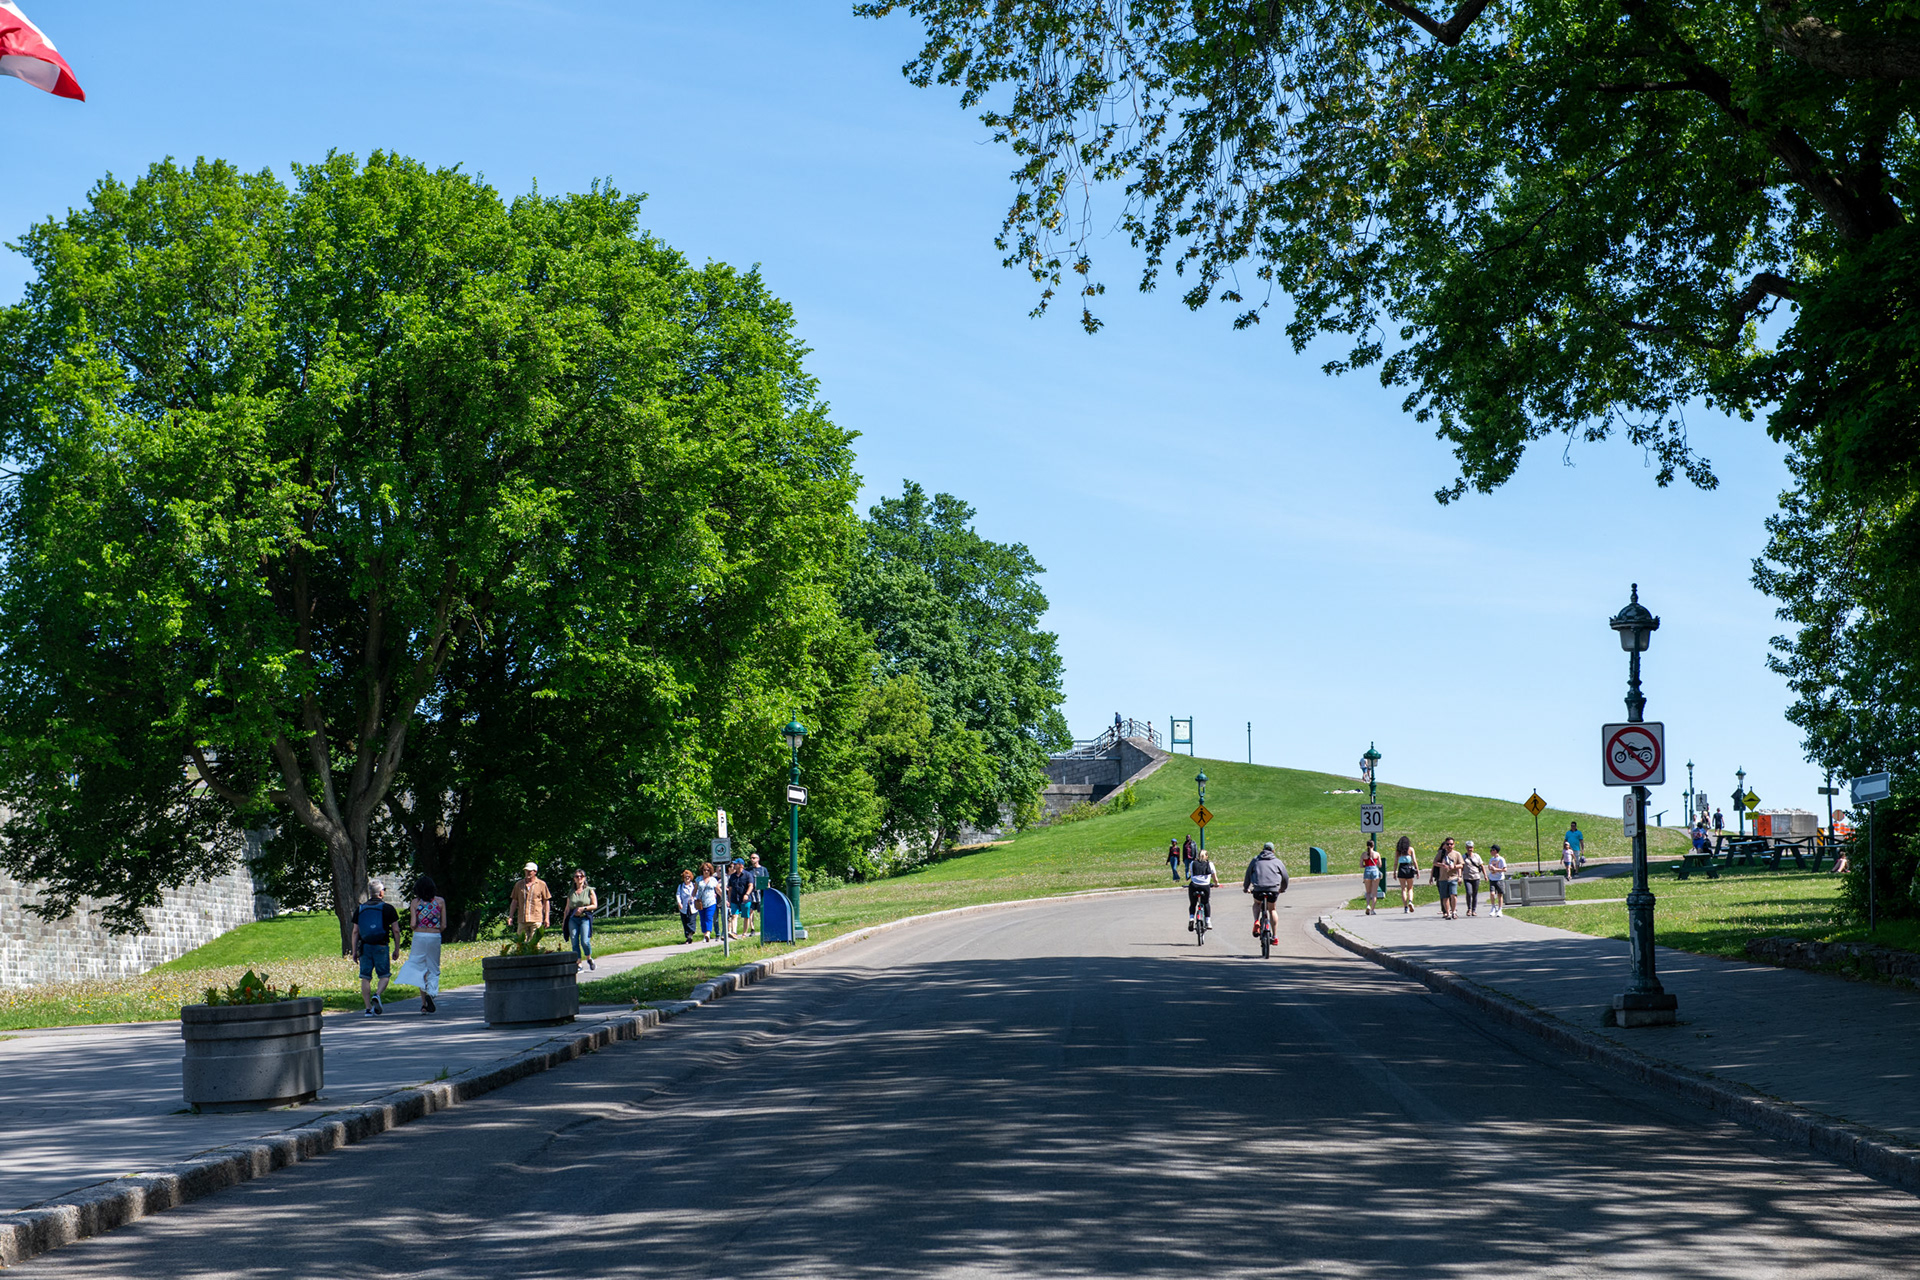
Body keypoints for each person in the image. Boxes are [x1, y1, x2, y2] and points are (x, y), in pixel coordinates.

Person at [393, 874, 445, 1014]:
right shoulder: (440, 902)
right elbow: (444, 925)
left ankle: (423, 1004)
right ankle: (431, 992)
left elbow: (413, 924)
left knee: (418, 966)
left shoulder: (415, 903)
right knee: (433, 967)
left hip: (419, 936)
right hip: (434, 936)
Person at [350, 879, 400, 1016]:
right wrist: (397, 948)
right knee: (384, 975)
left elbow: (355, 931)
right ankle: (377, 994)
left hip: (365, 947)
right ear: (381, 892)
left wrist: (354, 951)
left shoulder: (360, 909)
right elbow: (395, 930)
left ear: (370, 893)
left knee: (365, 977)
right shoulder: (388, 908)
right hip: (381, 946)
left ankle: (367, 1009)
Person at [1242, 841, 1289, 939]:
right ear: (1273, 851)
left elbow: (1248, 875)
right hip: (1273, 889)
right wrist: (1282, 889)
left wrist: (1246, 888)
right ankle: (1275, 936)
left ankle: (1256, 921)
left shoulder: (1255, 860)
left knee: (1257, 903)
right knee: (1272, 909)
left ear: (1262, 850)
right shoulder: (1277, 862)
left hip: (1258, 889)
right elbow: (1285, 877)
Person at [564, 868, 597, 970]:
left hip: (584, 918)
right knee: (574, 941)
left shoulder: (589, 890)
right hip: (573, 918)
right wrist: (564, 921)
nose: (579, 878)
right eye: (577, 876)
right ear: (574, 879)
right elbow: (567, 908)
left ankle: (589, 957)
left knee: (585, 941)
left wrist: (584, 908)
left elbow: (594, 905)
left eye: (581, 876)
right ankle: (578, 963)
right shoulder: (571, 892)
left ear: (584, 878)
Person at [509, 862, 551, 941]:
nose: (527, 873)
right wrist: (511, 916)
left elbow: (546, 901)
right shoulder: (518, 884)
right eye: (526, 871)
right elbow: (514, 901)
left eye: (530, 871)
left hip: (536, 918)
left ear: (535, 872)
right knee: (521, 943)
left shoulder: (542, 884)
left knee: (534, 943)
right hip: (522, 918)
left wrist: (546, 918)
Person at [1187, 846, 1218, 931]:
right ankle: (1208, 921)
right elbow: (1215, 878)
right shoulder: (1210, 864)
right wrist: (1216, 884)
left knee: (1193, 904)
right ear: (1207, 856)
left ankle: (1191, 919)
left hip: (1194, 885)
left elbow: (1192, 874)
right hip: (1205, 886)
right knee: (1206, 903)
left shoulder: (1193, 863)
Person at [1432, 837, 1459, 920]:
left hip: (1453, 877)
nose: (1449, 846)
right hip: (1443, 878)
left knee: (1453, 895)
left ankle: (1454, 912)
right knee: (1445, 896)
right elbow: (1434, 863)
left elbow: (1461, 865)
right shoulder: (1441, 853)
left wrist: (1454, 866)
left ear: (1454, 845)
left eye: (1451, 844)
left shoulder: (1456, 854)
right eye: (1447, 844)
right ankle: (1447, 913)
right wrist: (1441, 865)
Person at [727, 858, 754, 938]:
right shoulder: (732, 876)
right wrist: (728, 900)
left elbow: (751, 885)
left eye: (736, 864)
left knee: (746, 916)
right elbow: (730, 889)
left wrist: (747, 894)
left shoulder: (748, 875)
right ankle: (734, 932)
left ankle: (744, 934)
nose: (734, 866)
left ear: (741, 865)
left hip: (745, 899)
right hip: (734, 899)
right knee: (734, 915)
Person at [696, 860, 721, 941]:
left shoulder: (713, 880)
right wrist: (692, 897)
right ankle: (705, 935)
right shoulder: (698, 879)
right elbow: (695, 889)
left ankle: (708, 933)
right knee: (702, 919)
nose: (706, 871)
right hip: (700, 902)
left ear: (710, 871)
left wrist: (725, 898)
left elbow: (718, 890)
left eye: (708, 870)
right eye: (704, 870)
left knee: (709, 917)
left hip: (711, 902)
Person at [1461, 840, 1485, 917]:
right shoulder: (1463, 857)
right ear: (1466, 848)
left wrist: (1485, 875)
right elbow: (1461, 867)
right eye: (1468, 847)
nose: (1469, 849)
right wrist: (1459, 877)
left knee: (1475, 894)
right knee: (1469, 892)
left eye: (1471, 847)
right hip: (1467, 877)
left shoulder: (1477, 856)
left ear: (1473, 848)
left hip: (1476, 877)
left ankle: (1474, 910)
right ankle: (1469, 909)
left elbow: (1482, 866)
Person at [1394, 836, 1419, 912]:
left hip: (1401, 869)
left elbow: (1395, 863)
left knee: (1403, 889)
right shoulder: (1410, 849)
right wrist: (1417, 870)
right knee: (1410, 888)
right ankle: (1410, 901)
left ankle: (1405, 907)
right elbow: (1414, 861)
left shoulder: (1398, 851)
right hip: (1409, 868)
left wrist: (1394, 872)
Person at [1360, 838, 1383, 915]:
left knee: (1368, 892)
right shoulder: (1377, 854)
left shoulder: (1363, 854)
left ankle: (1368, 905)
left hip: (1367, 871)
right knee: (1374, 893)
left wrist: (1366, 866)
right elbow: (1380, 864)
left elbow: (1361, 865)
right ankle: (1372, 909)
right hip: (1375, 871)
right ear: (1374, 845)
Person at [675, 869, 699, 943]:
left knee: (691, 921)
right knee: (685, 921)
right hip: (684, 907)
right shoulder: (681, 886)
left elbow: (697, 894)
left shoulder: (694, 885)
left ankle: (690, 935)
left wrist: (694, 899)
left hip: (693, 906)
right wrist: (679, 903)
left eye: (688, 876)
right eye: (686, 877)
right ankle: (688, 936)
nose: (687, 878)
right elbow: (678, 895)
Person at [1486, 844, 1508, 917]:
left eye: (1491, 850)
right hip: (1492, 878)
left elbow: (1505, 869)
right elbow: (1490, 867)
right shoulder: (1491, 859)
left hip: (1499, 879)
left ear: (1495, 851)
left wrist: (1496, 869)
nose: (1490, 852)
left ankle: (1500, 909)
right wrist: (1490, 868)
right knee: (1492, 893)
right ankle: (1493, 907)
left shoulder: (1501, 859)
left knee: (1499, 895)